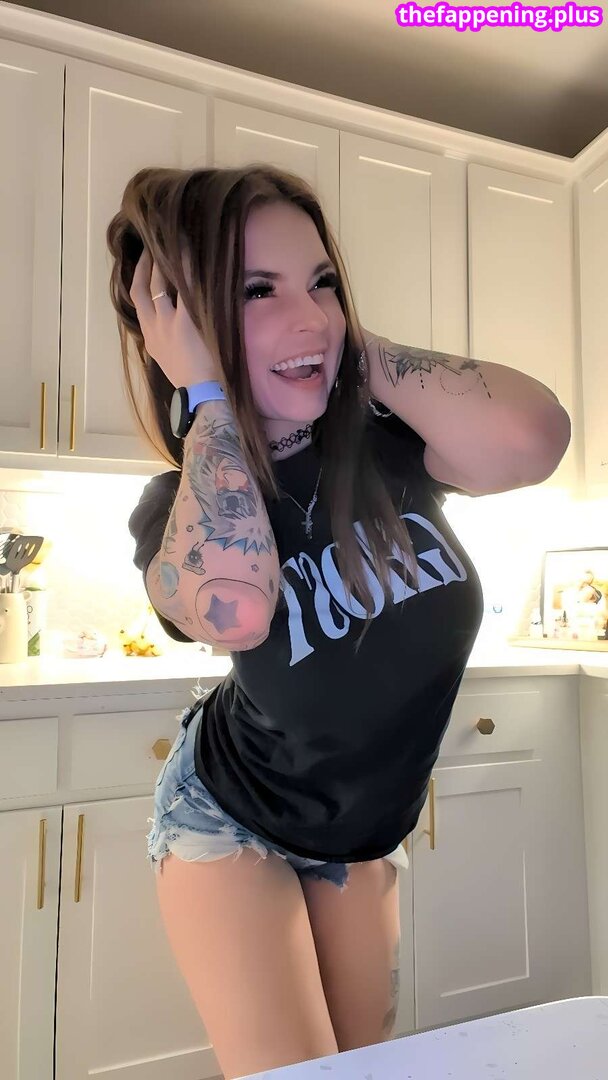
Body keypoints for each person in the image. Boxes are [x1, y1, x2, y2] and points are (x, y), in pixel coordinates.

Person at [106, 164, 485, 1080]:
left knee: (361, 1063)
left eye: (321, 283)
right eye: (254, 290)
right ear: (183, 324)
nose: (309, 316)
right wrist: (205, 393)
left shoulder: (396, 450)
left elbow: (535, 438)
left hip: (358, 829)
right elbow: (233, 609)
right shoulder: (177, 509)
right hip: (231, 813)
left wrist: (350, 347)